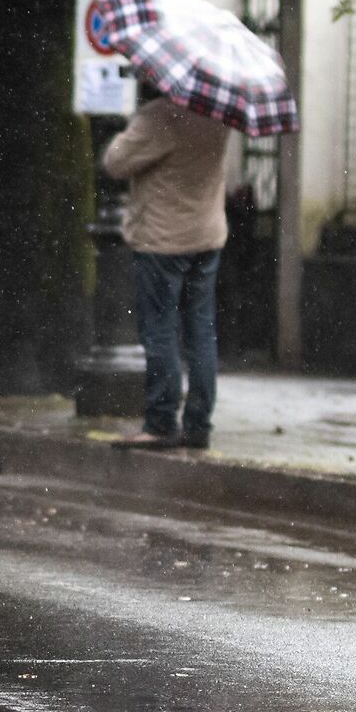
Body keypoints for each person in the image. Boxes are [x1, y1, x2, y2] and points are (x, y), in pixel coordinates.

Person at [102, 89, 230, 449]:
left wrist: (127, 128)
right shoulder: (218, 115)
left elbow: (115, 162)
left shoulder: (160, 116)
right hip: (206, 236)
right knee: (201, 333)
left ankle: (160, 422)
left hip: (163, 240)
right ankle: (199, 424)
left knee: (160, 331)